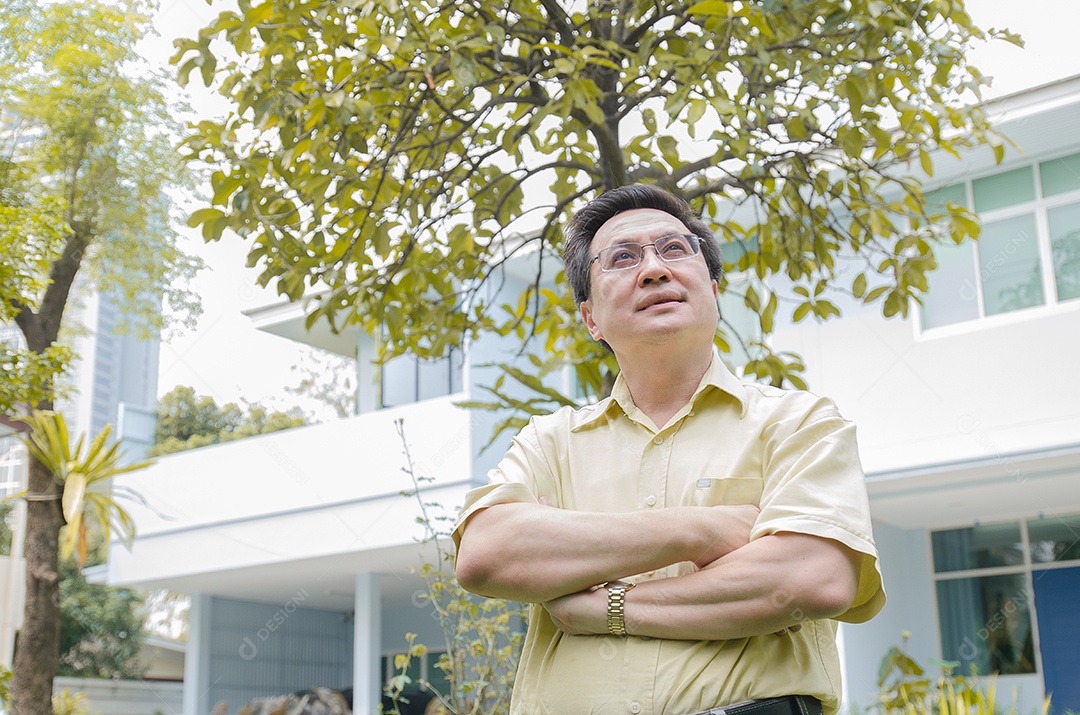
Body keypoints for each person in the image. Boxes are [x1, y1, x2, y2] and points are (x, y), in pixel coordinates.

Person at [452, 184, 886, 715]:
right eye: (622, 258)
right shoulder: (550, 441)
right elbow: (485, 555)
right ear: (591, 319)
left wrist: (606, 606)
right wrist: (699, 531)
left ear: (713, 288)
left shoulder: (800, 425)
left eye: (675, 249)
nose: (654, 269)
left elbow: (812, 579)